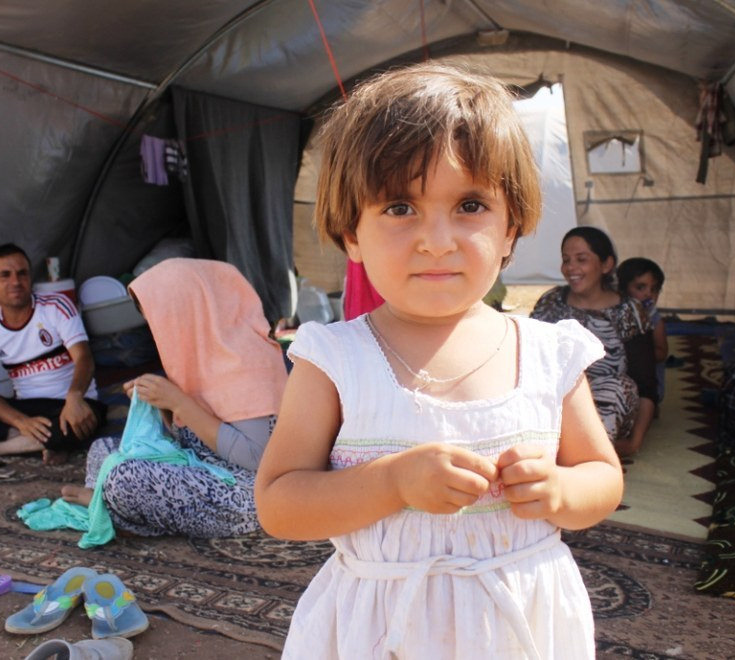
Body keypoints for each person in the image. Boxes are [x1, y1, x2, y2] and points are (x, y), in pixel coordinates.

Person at [254, 63, 623, 658]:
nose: (437, 240)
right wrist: (393, 482)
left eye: (470, 205)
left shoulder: (549, 354)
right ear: (351, 234)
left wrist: (558, 490)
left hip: (517, 627)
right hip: (380, 632)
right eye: (400, 208)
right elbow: (279, 503)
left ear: (513, 229)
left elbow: (603, 479)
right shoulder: (336, 360)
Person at [61, 258, 288, 539]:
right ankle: (108, 503)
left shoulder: (249, 362)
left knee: (124, 478)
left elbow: (257, 458)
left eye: (162, 321)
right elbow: (185, 438)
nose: (158, 332)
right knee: (103, 450)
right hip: (199, 466)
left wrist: (179, 402)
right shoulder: (197, 355)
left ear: (190, 312)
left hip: (247, 493)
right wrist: (159, 404)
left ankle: (107, 504)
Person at [0, 243, 106, 464]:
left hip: (74, 401)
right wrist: (21, 422)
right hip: (29, 408)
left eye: (22, 273)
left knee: (80, 422)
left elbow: (84, 358)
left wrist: (74, 398)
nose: (15, 282)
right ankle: (40, 440)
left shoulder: (57, 306)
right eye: (5, 276)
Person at [530, 227, 657, 456]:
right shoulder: (551, 302)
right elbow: (529, 360)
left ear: (606, 265)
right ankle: (558, 450)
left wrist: (634, 443)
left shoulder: (628, 311)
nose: (571, 268)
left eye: (581, 259)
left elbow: (647, 385)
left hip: (609, 400)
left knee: (618, 386)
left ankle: (586, 455)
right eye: (566, 260)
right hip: (560, 399)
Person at [618, 257, 668, 406]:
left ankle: (649, 406)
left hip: (646, 387)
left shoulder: (654, 318)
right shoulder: (616, 314)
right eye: (640, 288)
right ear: (623, 290)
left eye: (654, 289)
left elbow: (661, 353)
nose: (648, 294)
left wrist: (635, 354)